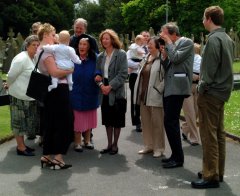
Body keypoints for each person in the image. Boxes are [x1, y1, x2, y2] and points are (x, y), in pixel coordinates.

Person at [191, 6, 234, 189]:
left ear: (209, 18)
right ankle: (217, 171)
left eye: (203, 17)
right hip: (222, 92)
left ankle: (210, 175)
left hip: (211, 93)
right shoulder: (227, 39)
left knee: (209, 136)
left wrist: (201, 88)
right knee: (219, 134)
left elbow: (207, 73)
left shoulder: (213, 40)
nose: (202, 21)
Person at [37, 23, 73, 169]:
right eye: (53, 35)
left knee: (51, 122)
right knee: (64, 123)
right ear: (45, 35)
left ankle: (46, 156)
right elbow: (55, 72)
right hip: (58, 90)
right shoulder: (46, 52)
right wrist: (70, 69)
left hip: (52, 91)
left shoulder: (41, 50)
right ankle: (58, 158)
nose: (55, 38)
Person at [159, 22, 194, 168]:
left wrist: (168, 44)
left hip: (178, 87)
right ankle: (175, 155)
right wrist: (164, 55)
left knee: (171, 121)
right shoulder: (170, 45)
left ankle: (178, 158)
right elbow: (168, 64)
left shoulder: (186, 42)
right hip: (169, 87)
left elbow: (177, 58)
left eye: (163, 32)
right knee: (169, 121)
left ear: (172, 33)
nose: (161, 35)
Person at [95, 29, 128, 155]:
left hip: (117, 92)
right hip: (104, 92)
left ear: (112, 40)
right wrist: (101, 85)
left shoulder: (121, 54)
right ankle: (109, 144)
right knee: (107, 120)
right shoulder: (100, 56)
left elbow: (123, 74)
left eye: (107, 38)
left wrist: (110, 86)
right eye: (103, 38)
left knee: (117, 120)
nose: (104, 40)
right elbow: (97, 74)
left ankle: (115, 145)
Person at [6, 35, 40, 156]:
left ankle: (23, 145)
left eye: (37, 45)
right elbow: (10, 76)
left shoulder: (34, 58)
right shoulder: (21, 58)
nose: (36, 47)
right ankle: (20, 148)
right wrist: (8, 85)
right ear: (27, 46)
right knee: (18, 123)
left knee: (26, 122)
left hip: (29, 96)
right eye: (33, 45)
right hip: (18, 96)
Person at [134, 36, 165, 158]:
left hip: (155, 96)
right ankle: (149, 145)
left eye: (151, 44)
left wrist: (159, 89)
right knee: (146, 122)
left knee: (157, 123)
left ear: (158, 46)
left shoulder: (162, 59)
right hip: (143, 96)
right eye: (148, 44)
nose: (148, 46)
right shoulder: (146, 58)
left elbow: (166, 78)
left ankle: (159, 148)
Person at [70, 34, 99, 152]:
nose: (81, 46)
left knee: (88, 118)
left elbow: (99, 70)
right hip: (75, 92)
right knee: (77, 119)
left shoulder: (95, 58)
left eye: (84, 44)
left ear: (89, 46)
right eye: (80, 44)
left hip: (90, 92)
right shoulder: (72, 58)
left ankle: (87, 141)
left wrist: (98, 75)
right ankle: (77, 142)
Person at [127, 31, 150, 132]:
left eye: (147, 36)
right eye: (143, 36)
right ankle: (137, 122)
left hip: (147, 77)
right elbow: (128, 61)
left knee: (146, 98)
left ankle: (147, 120)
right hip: (135, 76)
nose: (145, 38)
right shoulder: (133, 48)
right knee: (135, 98)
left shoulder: (150, 48)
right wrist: (140, 65)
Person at [181, 43, 202, 146]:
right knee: (190, 112)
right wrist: (190, 75)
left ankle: (185, 129)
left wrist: (199, 76)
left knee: (197, 111)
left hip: (198, 87)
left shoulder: (200, 59)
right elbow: (179, 73)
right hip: (186, 88)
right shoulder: (183, 60)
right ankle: (194, 138)